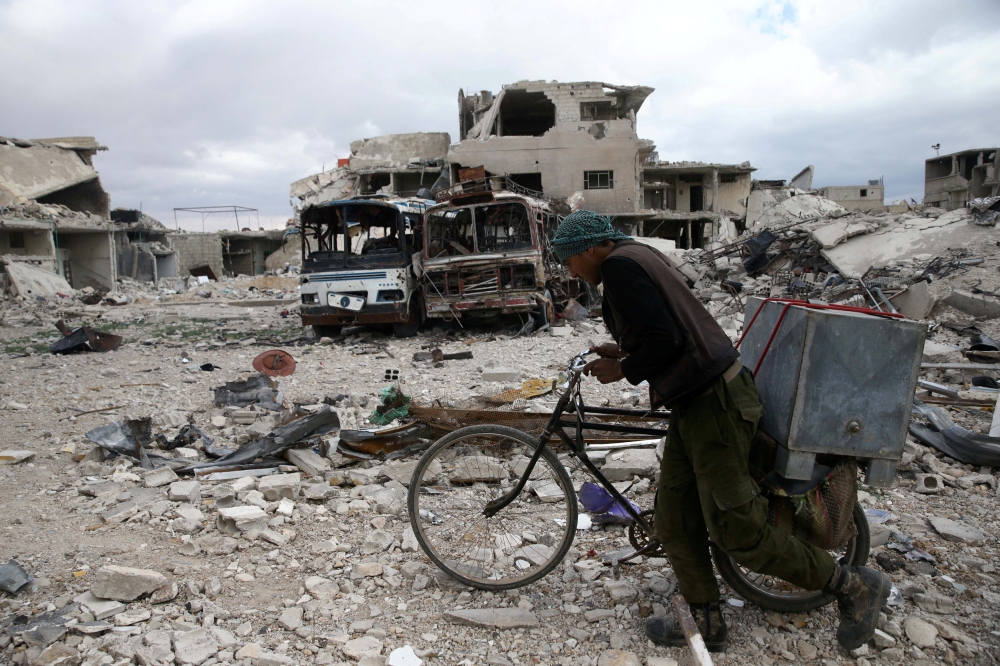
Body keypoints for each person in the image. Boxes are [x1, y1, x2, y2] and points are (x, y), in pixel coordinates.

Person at [550, 210, 890, 653]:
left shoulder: (619, 267)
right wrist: (623, 348)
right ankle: (707, 622)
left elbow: (666, 339)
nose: (568, 269)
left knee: (737, 531)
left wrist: (624, 368)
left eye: (569, 260)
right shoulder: (637, 256)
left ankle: (851, 586)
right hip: (696, 405)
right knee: (675, 518)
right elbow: (668, 328)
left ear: (592, 248)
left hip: (715, 405)